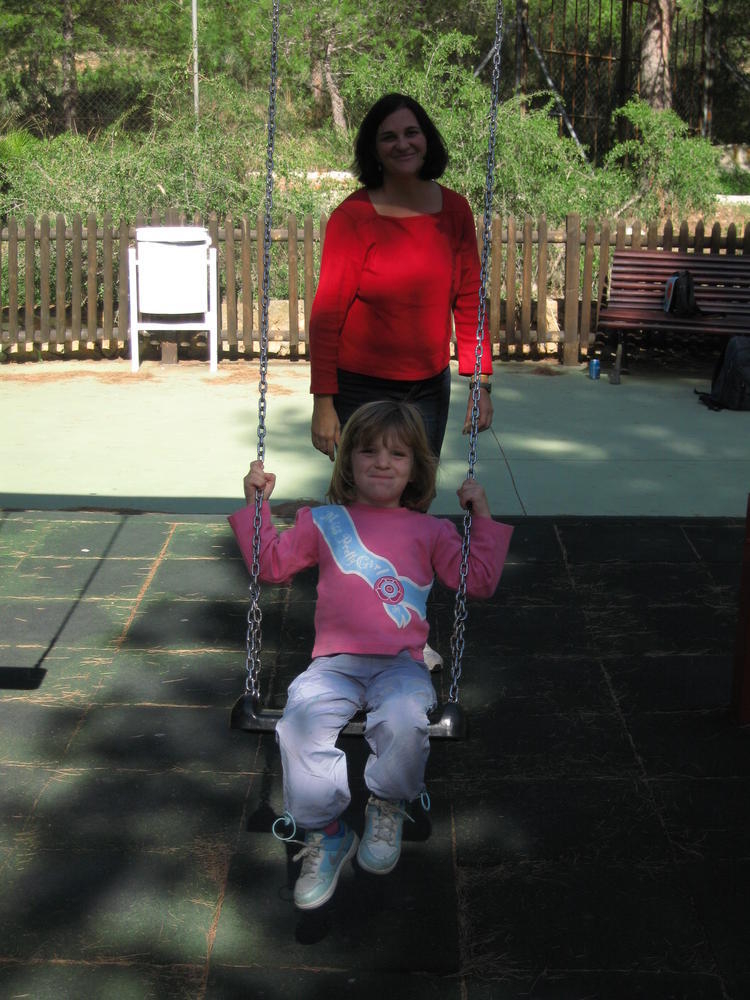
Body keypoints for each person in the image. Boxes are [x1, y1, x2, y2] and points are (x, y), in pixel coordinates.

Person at [229, 401, 512, 911]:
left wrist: (483, 515)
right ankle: (327, 831)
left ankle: (387, 802)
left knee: (405, 719)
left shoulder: (431, 531)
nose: (382, 462)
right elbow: (269, 566)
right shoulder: (324, 522)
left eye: (397, 454)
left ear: (415, 468)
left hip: (401, 663)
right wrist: (256, 505)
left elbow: (479, 581)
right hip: (333, 664)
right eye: (368, 451)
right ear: (348, 463)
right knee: (298, 725)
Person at [308, 92, 494, 464]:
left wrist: (481, 383)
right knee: (366, 490)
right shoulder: (353, 218)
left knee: (418, 489)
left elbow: (470, 300)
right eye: (389, 137)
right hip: (362, 387)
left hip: (429, 388)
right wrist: (323, 403)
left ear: (427, 140)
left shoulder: (455, 211)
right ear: (374, 150)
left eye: (411, 133)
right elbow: (326, 316)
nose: (402, 144)